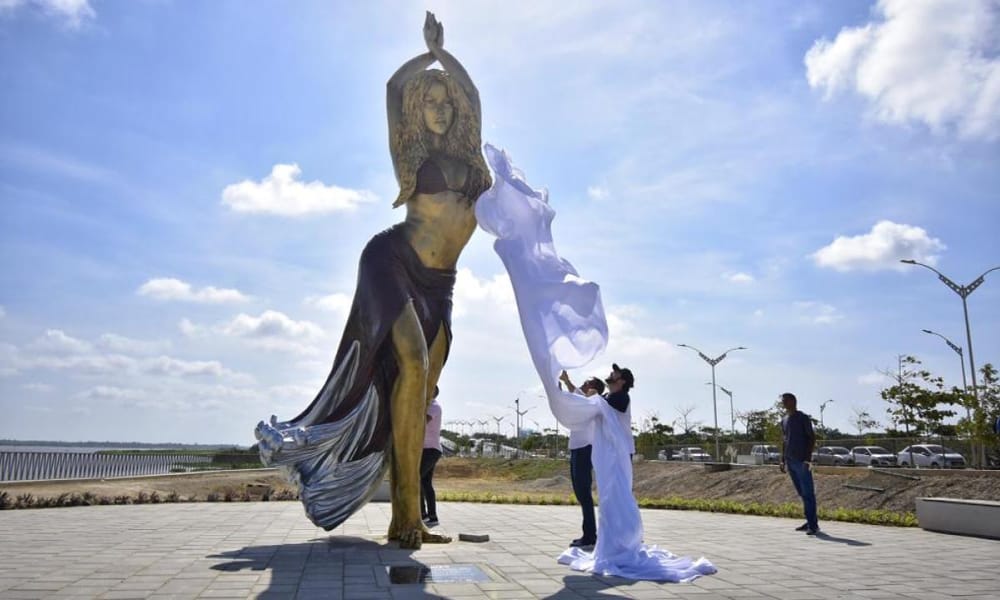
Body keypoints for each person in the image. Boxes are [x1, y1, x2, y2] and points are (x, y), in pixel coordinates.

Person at [254, 12, 490, 549]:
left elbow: (473, 95)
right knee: (414, 364)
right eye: (430, 102)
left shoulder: (470, 158)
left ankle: (406, 519)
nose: (439, 109)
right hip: (390, 261)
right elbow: (392, 88)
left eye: (446, 102)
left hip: (441, 285)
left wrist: (449, 62)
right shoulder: (411, 154)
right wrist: (430, 53)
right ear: (418, 109)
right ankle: (407, 521)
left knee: (419, 392)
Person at [559, 373, 605, 548]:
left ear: (594, 390)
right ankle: (589, 534)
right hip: (577, 449)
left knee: (584, 493)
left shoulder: (592, 404)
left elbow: (576, 396)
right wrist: (565, 382)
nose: (583, 385)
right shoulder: (584, 401)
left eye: (587, 384)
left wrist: (565, 384)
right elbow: (575, 393)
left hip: (585, 449)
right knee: (580, 492)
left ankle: (589, 535)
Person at [779, 392, 819, 535]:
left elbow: (811, 438)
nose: (783, 403)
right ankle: (810, 521)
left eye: (785, 400)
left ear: (793, 401)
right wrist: (782, 459)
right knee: (802, 493)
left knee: (808, 493)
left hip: (802, 461)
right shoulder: (784, 420)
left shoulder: (802, 418)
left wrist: (808, 458)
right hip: (790, 461)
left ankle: (813, 526)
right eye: (782, 401)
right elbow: (785, 440)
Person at [420, 388, 443, 527]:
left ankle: (423, 514)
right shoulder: (428, 406)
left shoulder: (434, 406)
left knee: (416, 479)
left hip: (431, 449)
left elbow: (422, 421)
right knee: (425, 483)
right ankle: (431, 516)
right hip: (425, 449)